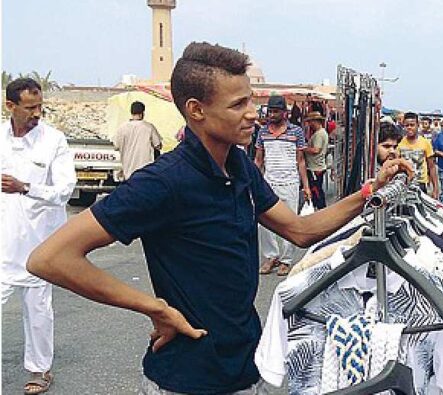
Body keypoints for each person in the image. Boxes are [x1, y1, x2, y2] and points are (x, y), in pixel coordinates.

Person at [26, 42, 412, 395]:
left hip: (245, 368)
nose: (252, 114)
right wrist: (154, 307)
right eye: (237, 105)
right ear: (196, 110)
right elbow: (50, 258)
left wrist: (369, 193)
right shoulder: (164, 182)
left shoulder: (238, 165)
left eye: (251, 100)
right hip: (187, 379)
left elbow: (299, 230)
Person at [2, 77, 75, 395]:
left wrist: (26, 187)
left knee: (38, 311)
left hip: (39, 246)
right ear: (10, 106)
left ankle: (39, 370)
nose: (37, 113)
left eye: (40, 106)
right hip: (2, 242)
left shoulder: (53, 141)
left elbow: (64, 189)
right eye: (30, 108)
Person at [255, 95, 311, 276]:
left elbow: (301, 161)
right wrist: (254, 183)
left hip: (290, 182)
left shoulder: (296, 132)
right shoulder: (262, 132)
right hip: (268, 182)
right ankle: (271, 257)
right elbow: (258, 160)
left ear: (284, 113)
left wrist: (306, 186)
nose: (272, 114)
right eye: (270, 111)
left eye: (275, 111)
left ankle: (286, 260)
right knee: (264, 223)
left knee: (291, 222)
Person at [113, 101, 163, 180]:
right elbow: (158, 146)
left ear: (131, 112)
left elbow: (116, 146)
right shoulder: (149, 127)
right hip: (145, 170)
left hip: (128, 170)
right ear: (142, 113)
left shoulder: (122, 128)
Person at [399, 112, 439, 198]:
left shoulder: (425, 143)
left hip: (420, 183)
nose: (409, 128)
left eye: (412, 125)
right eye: (407, 125)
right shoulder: (399, 143)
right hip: (402, 184)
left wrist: (435, 188)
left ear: (417, 125)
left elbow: (431, 166)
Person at [303, 111, 329, 209]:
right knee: (317, 189)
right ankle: (319, 208)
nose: (309, 124)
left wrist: (303, 149)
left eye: (310, 122)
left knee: (316, 190)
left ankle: (320, 208)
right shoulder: (321, 133)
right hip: (317, 166)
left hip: (315, 167)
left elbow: (316, 150)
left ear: (315, 121)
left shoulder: (319, 134)